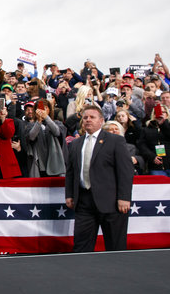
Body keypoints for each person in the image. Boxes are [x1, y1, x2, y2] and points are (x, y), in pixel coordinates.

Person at [65, 106, 133, 252]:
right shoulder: (76, 144)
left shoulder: (115, 141)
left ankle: (116, 273)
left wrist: (124, 197)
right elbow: (71, 172)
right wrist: (69, 194)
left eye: (92, 117)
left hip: (112, 202)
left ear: (101, 121)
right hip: (84, 201)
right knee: (81, 246)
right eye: (85, 117)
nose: (88, 120)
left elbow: (125, 171)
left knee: (115, 246)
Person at [137, 104, 170, 177]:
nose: (161, 114)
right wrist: (152, 156)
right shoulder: (147, 129)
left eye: (163, 112)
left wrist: (163, 124)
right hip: (157, 165)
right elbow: (142, 145)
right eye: (159, 112)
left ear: (167, 114)